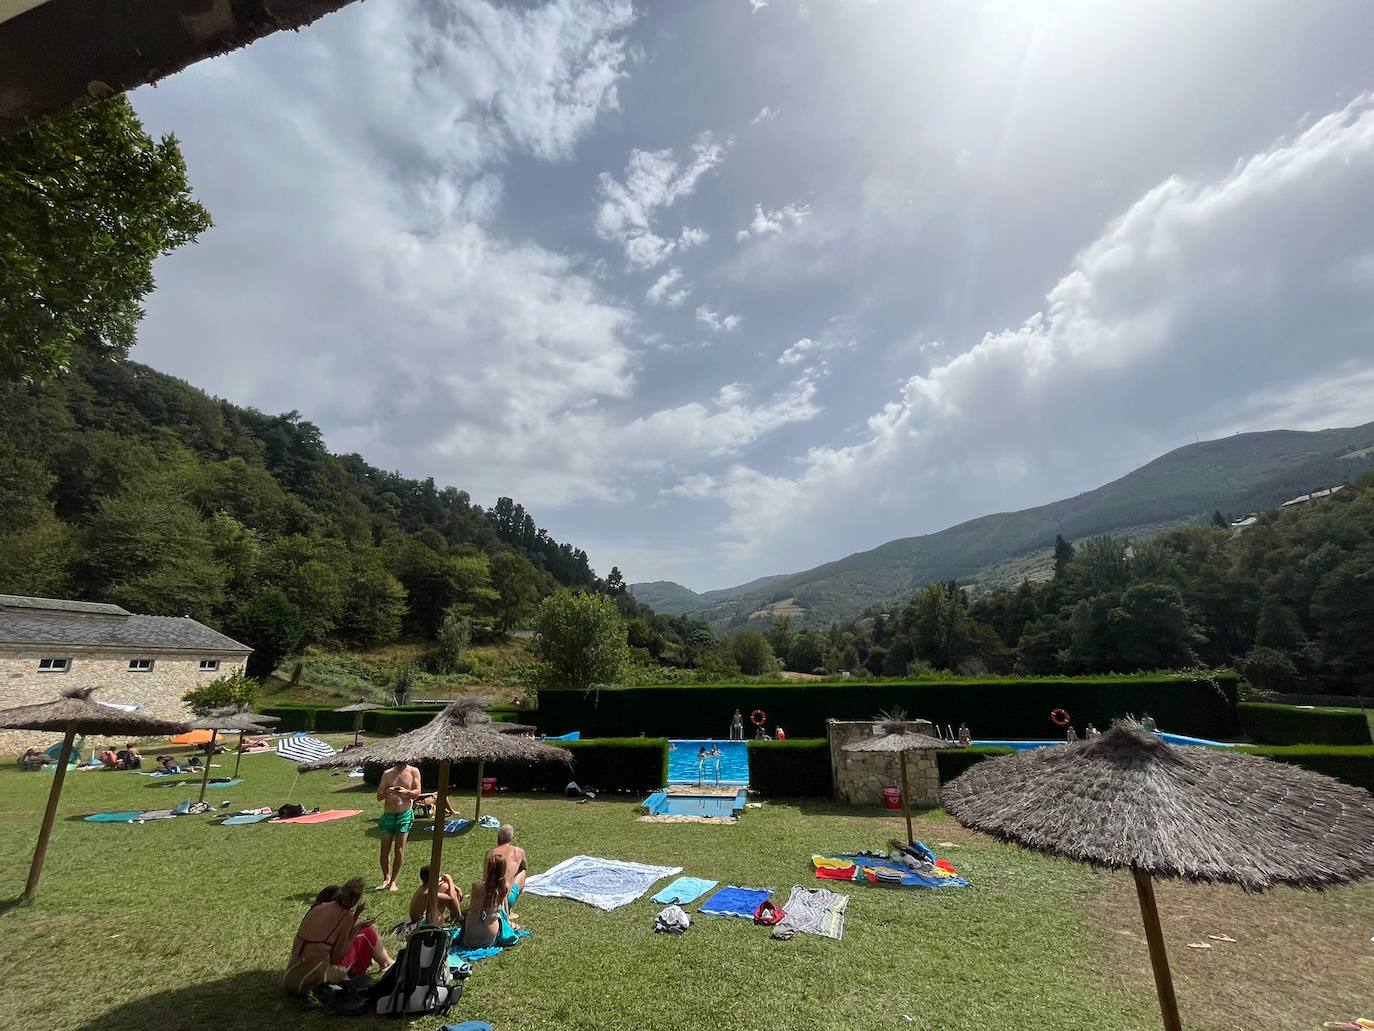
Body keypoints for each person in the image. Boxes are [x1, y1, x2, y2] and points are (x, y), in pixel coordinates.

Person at [284, 878, 393, 995]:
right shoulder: (345, 916)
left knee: (359, 933)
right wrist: (357, 927)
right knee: (366, 932)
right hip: (311, 982)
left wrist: (355, 916)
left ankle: (385, 963)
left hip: (291, 978)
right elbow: (337, 957)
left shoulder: (317, 907)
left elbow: (334, 933)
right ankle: (386, 963)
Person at [375, 759, 421, 891]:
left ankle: (393, 881)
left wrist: (405, 792)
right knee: (384, 848)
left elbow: (417, 793)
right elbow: (379, 796)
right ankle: (386, 878)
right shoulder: (387, 773)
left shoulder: (413, 771)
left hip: (404, 814)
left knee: (399, 849)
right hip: (388, 814)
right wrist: (388, 792)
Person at [462, 853, 519, 949]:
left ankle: (508, 923)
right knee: (500, 912)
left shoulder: (477, 887)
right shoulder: (505, 887)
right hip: (488, 940)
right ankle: (508, 925)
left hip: (469, 939)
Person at [486, 824, 528, 896]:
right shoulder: (519, 851)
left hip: (487, 896)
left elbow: (485, 877)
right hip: (505, 897)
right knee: (522, 871)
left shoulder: (490, 853)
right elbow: (524, 867)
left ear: (498, 838)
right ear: (511, 839)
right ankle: (510, 902)